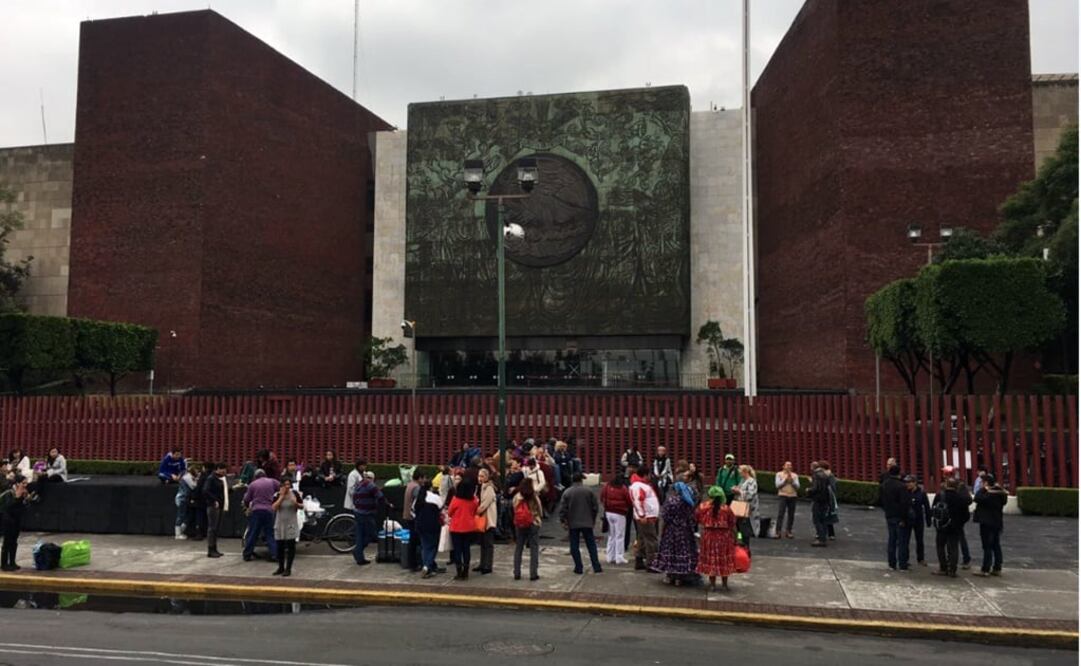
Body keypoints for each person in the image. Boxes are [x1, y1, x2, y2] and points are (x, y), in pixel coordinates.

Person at [652, 472, 698, 585]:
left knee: (670, 552)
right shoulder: (688, 502)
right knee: (682, 552)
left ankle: (670, 576)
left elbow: (665, 516)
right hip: (685, 530)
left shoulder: (671, 501)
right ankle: (680, 577)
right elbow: (692, 516)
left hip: (671, 531)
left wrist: (661, 531)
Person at [559, 473, 602, 575]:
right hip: (587, 521)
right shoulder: (588, 491)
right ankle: (596, 566)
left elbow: (563, 509)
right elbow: (595, 507)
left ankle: (578, 567)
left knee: (574, 544)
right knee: (591, 544)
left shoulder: (567, 492)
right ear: (582, 480)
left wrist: (563, 520)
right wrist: (593, 519)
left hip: (573, 522)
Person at [696, 486, 737, 592]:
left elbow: (697, 518)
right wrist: (737, 537)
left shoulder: (703, 507)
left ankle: (712, 585)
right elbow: (732, 523)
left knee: (711, 560)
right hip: (724, 537)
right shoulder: (726, 509)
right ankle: (724, 584)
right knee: (723, 560)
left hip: (709, 536)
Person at [931, 477, 970, 577]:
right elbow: (966, 515)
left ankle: (943, 568)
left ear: (946, 484)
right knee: (953, 547)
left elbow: (934, 508)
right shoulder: (960, 498)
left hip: (942, 525)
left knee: (940, 546)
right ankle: (952, 569)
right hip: (955, 526)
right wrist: (959, 523)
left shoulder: (940, 495)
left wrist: (936, 521)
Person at [972, 474, 1007, 577]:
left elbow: (977, 497)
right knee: (996, 545)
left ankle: (985, 568)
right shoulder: (1000, 493)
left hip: (987, 523)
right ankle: (997, 567)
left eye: (983, 482)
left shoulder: (988, 494)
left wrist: (984, 489)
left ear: (986, 483)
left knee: (987, 546)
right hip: (997, 522)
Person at [242, 469, 280, 562]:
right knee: (269, 533)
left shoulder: (253, 484)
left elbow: (246, 499)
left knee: (253, 533)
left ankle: (247, 554)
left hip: (257, 510)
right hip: (269, 510)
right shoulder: (272, 481)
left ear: (255, 476)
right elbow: (281, 488)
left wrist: (247, 506)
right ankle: (274, 554)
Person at [350, 462, 383, 566]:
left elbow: (354, 497)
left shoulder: (359, 484)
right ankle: (357, 551)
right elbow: (380, 497)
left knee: (360, 534)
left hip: (358, 512)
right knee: (371, 534)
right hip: (367, 514)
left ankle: (359, 555)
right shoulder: (371, 485)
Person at [511, 478, 543, 581]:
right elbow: (540, 510)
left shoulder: (517, 497)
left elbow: (514, 508)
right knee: (534, 548)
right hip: (533, 523)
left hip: (520, 524)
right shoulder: (534, 496)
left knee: (519, 548)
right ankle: (533, 573)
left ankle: (517, 572)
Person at [447, 478, 479, 580]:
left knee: (457, 550)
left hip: (456, 527)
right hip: (469, 527)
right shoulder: (473, 500)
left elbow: (449, 512)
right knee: (466, 549)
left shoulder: (456, 499)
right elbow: (475, 510)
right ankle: (466, 571)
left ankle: (459, 571)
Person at [629, 466, 660, 570]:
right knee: (651, 540)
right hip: (647, 517)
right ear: (645, 475)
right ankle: (651, 563)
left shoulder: (639, 485)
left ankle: (639, 559)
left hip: (646, 516)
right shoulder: (639, 486)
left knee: (642, 538)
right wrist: (642, 515)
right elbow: (638, 501)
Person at [942, 466, 973, 569]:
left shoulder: (959, 485)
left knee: (959, 538)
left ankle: (965, 559)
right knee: (953, 539)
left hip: (957, 516)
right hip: (951, 515)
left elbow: (967, 500)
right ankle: (953, 558)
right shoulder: (954, 485)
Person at [271, 477, 302, 576]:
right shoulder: (277, 495)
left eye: (289, 485)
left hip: (291, 522)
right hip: (280, 522)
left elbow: (302, 506)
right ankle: (280, 567)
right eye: (285, 485)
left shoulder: (295, 494)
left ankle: (288, 568)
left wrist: (295, 502)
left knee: (290, 545)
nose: (287, 487)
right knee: (279, 545)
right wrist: (281, 497)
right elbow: (274, 507)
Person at [880, 464, 909, 570]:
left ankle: (891, 563)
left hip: (889, 514)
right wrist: (904, 518)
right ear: (899, 473)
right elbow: (904, 503)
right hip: (899, 516)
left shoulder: (884, 484)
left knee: (892, 539)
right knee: (902, 541)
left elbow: (881, 500)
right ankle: (902, 564)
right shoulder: (901, 486)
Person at [600, 473, 632, 564]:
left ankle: (610, 556)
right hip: (620, 513)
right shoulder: (623, 488)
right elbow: (629, 500)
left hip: (608, 512)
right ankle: (619, 557)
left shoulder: (607, 486)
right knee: (620, 535)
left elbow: (601, 497)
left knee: (611, 535)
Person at [0, 474, 30, 571]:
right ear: (17, 483)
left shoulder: (23, 493)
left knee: (14, 542)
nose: (25, 485)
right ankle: (4, 564)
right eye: (23, 483)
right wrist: (17, 497)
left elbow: (24, 507)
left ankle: (12, 562)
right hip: (8, 520)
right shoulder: (9, 493)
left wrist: (26, 499)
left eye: (26, 483)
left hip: (17, 520)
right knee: (7, 542)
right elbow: (8, 507)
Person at [202, 462, 229, 558]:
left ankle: (214, 548)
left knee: (217, 528)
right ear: (217, 469)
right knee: (212, 528)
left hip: (221, 505)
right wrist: (214, 500)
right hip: (213, 506)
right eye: (223, 469)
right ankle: (210, 549)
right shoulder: (211, 478)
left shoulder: (222, 479)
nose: (225, 471)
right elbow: (205, 490)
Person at [904, 475, 932, 566]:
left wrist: (928, 520)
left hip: (918, 519)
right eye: (906, 482)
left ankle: (921, 558)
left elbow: (927, 507)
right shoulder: (905, 492)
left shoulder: (921, 493)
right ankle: (905, 558)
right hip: (907, 518)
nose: (907, 484)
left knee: (919, 540)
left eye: (909, 482)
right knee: (905, 539)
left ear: (915, 483)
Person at [731, 464, 759, 553]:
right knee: (738, 528)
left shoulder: (751, 481)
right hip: (739, 507)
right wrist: (736, 489)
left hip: (746, 509)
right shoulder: (743, 481)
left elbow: (750, 495)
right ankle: (740, 544)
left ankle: (746, 548)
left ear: (745, 472)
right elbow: (740, 491)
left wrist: (739, 491)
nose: (739, 473)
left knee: (745, 529)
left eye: (740, 471)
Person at [401, 468, 426, 572]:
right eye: (424, 478)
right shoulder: (416, 488)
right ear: (419, 478)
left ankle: (412, 563)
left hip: (407, 515)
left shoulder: (410, 485)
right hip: (413, 517)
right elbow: (420, 502)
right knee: (416, 541)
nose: (425, 480)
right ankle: (415, 563)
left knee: (413, 540)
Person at [474, 468, 498, 575]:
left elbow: (484, 504)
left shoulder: (488, 488)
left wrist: (476, 511)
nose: (480, 478)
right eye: (479, 476)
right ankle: (483, 564)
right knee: (483, 543)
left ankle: (487, 565)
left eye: (482, 476)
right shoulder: (481, 488)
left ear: (487, 477)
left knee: (488, 544)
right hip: (484, 519)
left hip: (488, 520)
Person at [808, 461, 832, 547]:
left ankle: (821, 539)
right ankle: (823, 537)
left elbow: (816, 488)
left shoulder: (816, 475)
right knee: (823, 520)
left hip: (818, 500)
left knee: (816, 519)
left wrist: (809, 490)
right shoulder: (825, 475)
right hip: (825, 500)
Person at [774, 461, 799, 539]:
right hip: (783, 495)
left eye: (790, 465)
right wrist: (784, 480)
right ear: (783, 466)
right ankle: (778, 531)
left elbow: (797, 486)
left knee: (791, 514)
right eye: (787, 465)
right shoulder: (779, 474)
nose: (789, 467)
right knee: (781, 513)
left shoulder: (794, 475)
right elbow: (777, 485)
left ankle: (789, 531)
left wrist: (792, 482)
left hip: (793, 495)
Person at [175, 464, 199, 540]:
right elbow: (193, 486)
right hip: (182, 498)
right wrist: (197, 479)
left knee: (188, 515)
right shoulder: (187, 477)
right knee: (181, 515)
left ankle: (181, 531)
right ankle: (177, 534)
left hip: (186, 499)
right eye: (196, 471)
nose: (197, 472)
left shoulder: (190, 477)